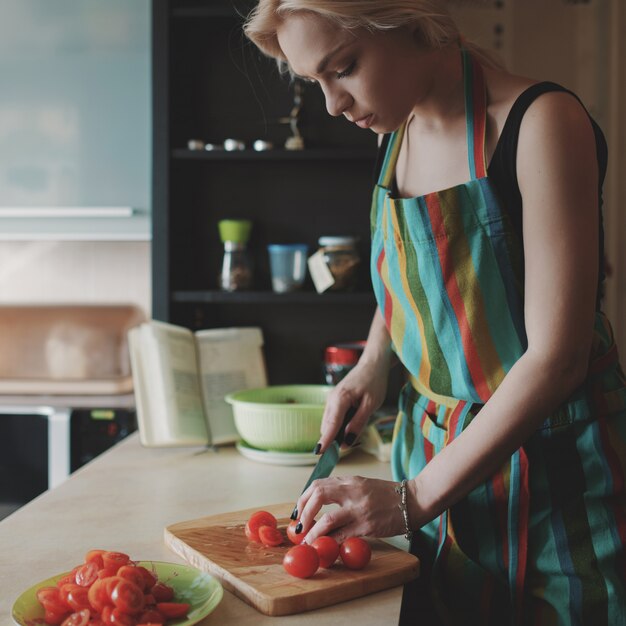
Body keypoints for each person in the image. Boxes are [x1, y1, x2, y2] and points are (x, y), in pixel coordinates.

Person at [244, 1, 626, 624]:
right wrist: (373, 364)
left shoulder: (541, 123)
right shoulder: (395, 130)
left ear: (410, 20)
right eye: (314, 81)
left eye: (344, 68)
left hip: (558, 483)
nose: (333, 105)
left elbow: (559, 358)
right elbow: (420, 273)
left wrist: (413, 498)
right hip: (434, 464)